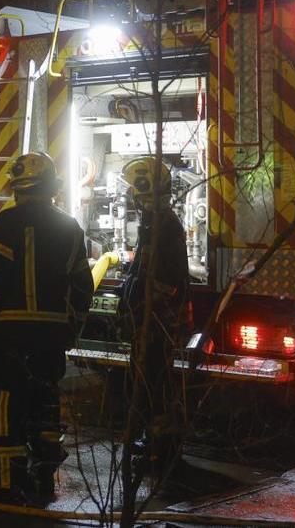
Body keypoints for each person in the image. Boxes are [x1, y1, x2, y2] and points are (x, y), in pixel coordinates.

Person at [0, 152, 93, 505]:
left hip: (12, 333)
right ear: (51, 186)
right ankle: (44, 479)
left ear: (20, 188)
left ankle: (8, 484)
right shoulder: (70, 226)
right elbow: (83, 286)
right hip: (52, 335)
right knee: (45, 402)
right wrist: (72, 327)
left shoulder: (7, 221)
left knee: (8, 405)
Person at [120, 156, 190, 480]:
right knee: (149, 383)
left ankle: (161, 449)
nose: (136, 202)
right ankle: (153, 442)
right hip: (151, 320)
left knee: (157, 386)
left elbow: (171, 280)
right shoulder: (153, 223)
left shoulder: (164, 224)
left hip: (158, 322)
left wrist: (140, 298)